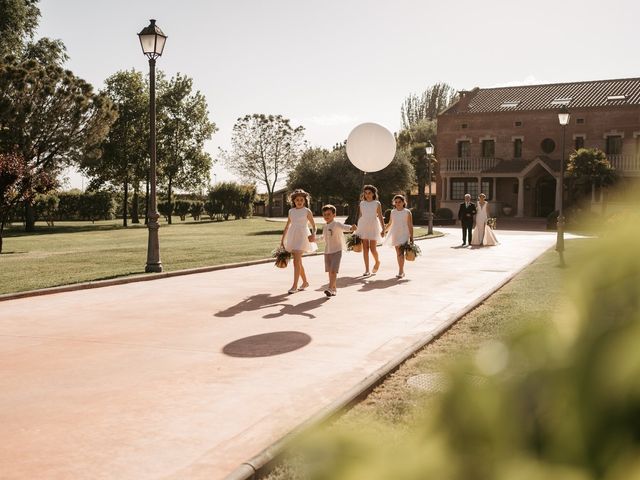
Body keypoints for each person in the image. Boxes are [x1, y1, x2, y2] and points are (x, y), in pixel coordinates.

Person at [280, 189, 318, 294]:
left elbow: (314, 226)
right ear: (294, 201)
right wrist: (282, 240)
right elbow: (287, 226)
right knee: (298, 262)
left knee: (296, 261)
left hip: (303, 237)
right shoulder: (291, 211)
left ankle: (294, 286)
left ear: (304, 201)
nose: (299, 201)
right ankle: (305, 282)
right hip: (292, 236)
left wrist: (313, 234)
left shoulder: (307, 211)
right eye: (297, 200)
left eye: (301, 200)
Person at [320, 204, 357, 297]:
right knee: (330, 271)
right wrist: (314, 239)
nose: (326, 216)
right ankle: (334, 289)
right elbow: (323, 238)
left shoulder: (336, 224)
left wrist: (351, 228)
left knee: (333, 271)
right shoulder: (324, 226)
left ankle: (329, 288)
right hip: (327, 251)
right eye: (324, 214)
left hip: (337, 251)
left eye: (328, 214)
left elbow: (345, 227)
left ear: (334, 215)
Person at [357, 184, 385, 276]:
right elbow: (361, 216)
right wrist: (358, 228)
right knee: (365, 248)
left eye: (369, 193)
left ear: (373, 194)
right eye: (365, 193)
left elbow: (380, 217)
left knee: (373, 249)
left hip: (374, 226)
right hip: (363, 226)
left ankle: (377, 262)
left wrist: (383, 229)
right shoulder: (362, 203)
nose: (367, 195)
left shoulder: (377, 203)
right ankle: (367, 270)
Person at [384, 194, 413, 279]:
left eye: (399, 202)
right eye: (396, 202)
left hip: (404, 233)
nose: (397, 204)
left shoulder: (407, 212)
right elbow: (390, 223)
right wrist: (384, 231)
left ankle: (400, 271)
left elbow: (410, 225)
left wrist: (411, 238)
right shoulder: (393, 212)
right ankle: (402, 270)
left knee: (400, 252)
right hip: (395, 233)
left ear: (404, 202)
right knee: (398, 253)